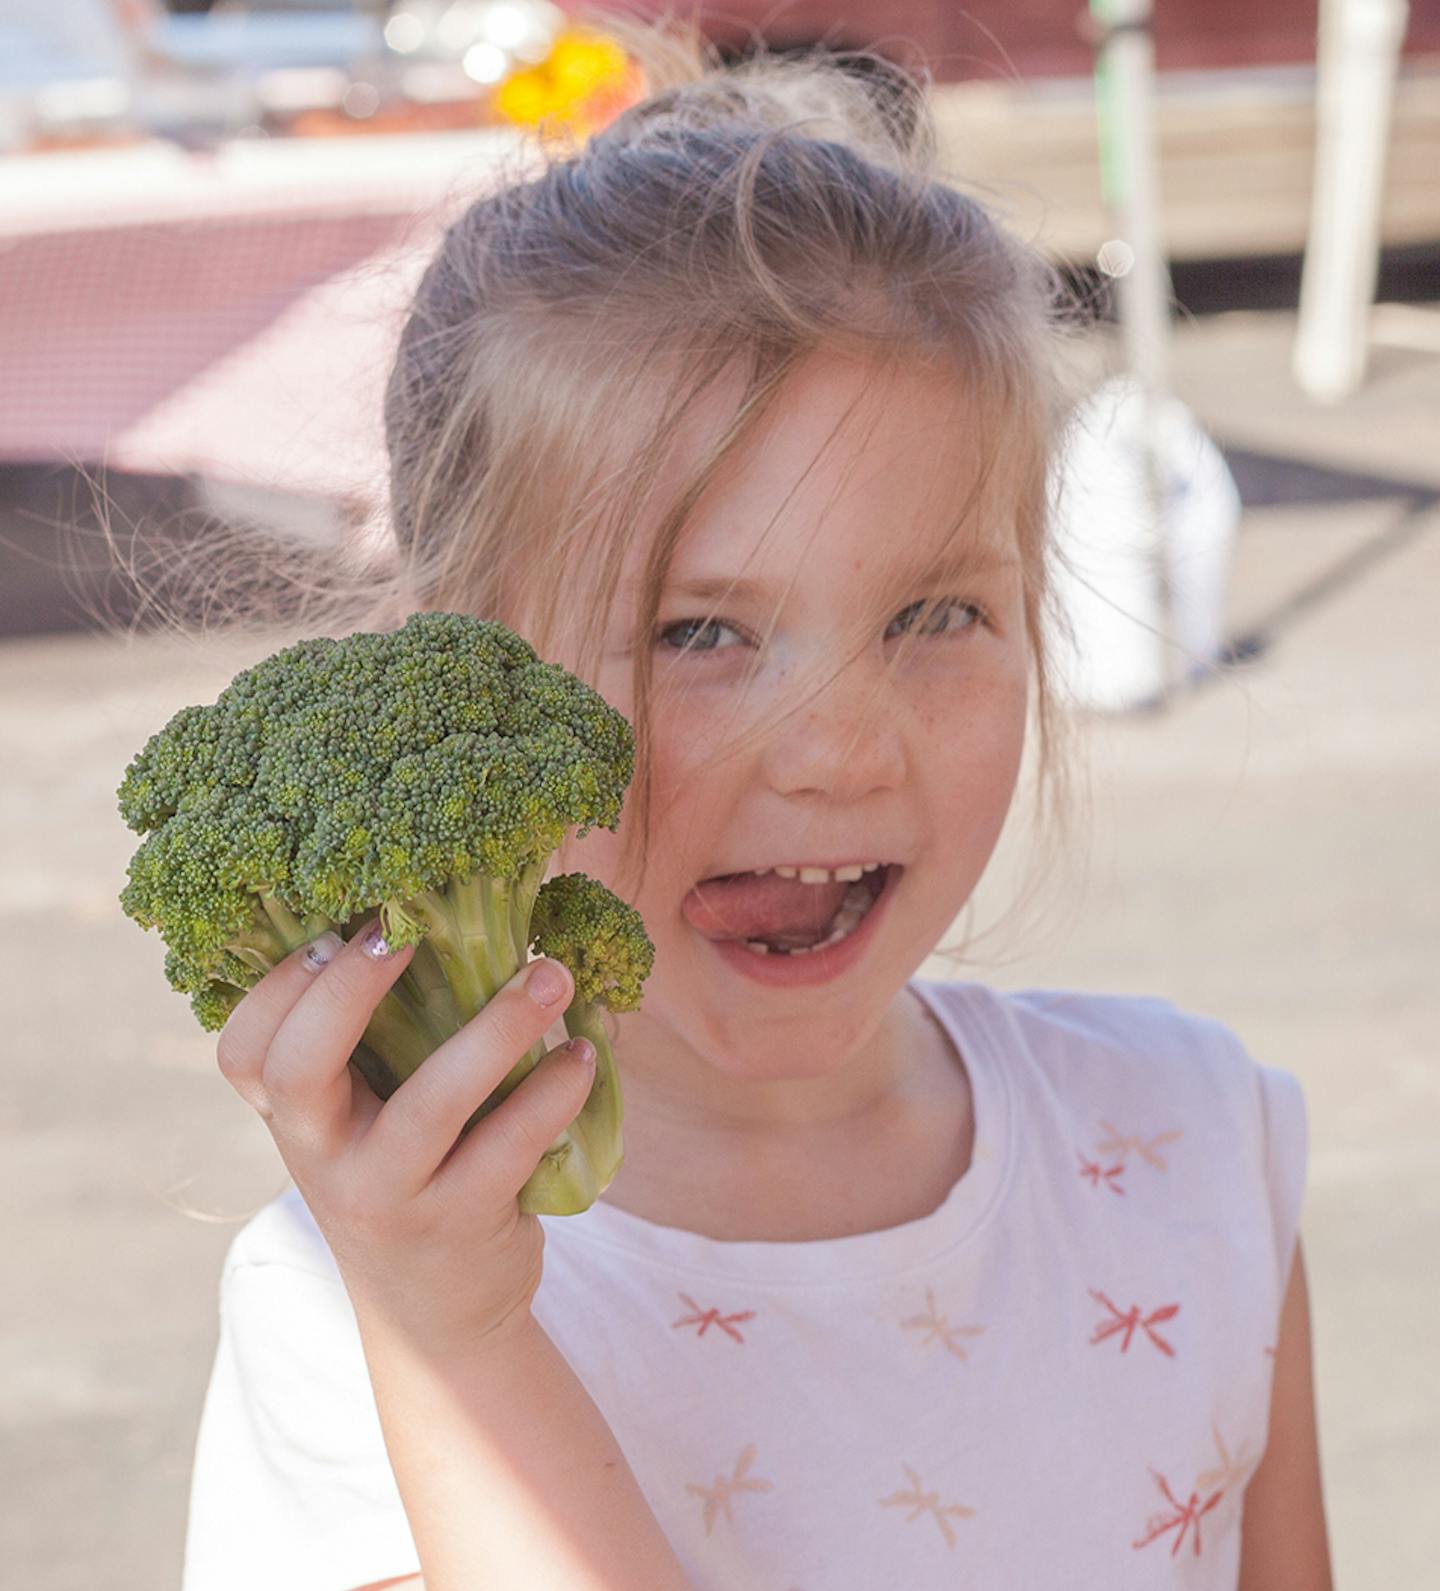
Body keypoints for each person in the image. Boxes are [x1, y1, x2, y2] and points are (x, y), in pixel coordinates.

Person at [177, 19, 1334, 1591]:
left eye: (936, 617)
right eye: (697, 633)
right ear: (462, 679)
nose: (839, 754)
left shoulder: (1196, 1145)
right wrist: (454, 1333)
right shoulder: (352, 1308)